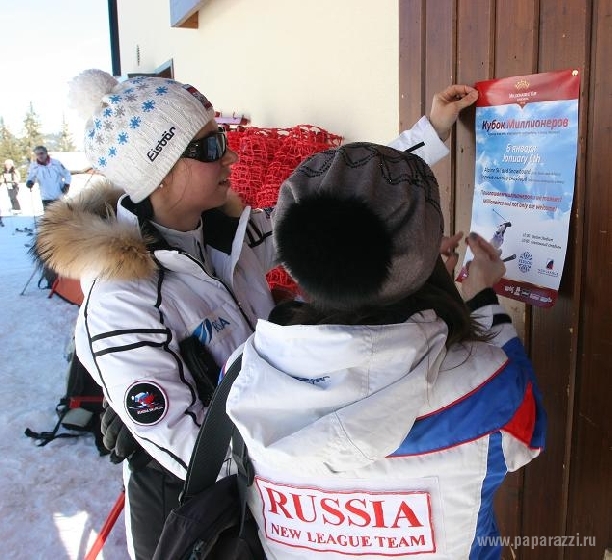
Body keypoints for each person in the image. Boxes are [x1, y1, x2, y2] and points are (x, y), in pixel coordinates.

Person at [33, 68, 477, 560]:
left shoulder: (227, 236)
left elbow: (338, 207)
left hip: (267, 495)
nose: (232, 154)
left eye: (220, 136)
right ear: (157, 170)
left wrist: (424, 160)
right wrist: (336, 465)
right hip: (199, 519)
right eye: (208, 147)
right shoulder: (124, 299)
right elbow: (195, 453)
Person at [225, 143, 547, 559]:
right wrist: (481, 297)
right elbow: (527, 436)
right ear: (423, 255)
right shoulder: (487, 386)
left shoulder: (241, 377)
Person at [25, 145, 71, 209]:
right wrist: (29, 182)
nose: (40, 156)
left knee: (61, 218)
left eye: (41, 153)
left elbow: (67, 174)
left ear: (46, 153)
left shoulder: (56, 163)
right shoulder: (34, 166)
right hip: (45, 197)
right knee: (49, 218)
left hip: (59, 196)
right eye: (37, 154)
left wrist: (66, 185)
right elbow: (30, 177)